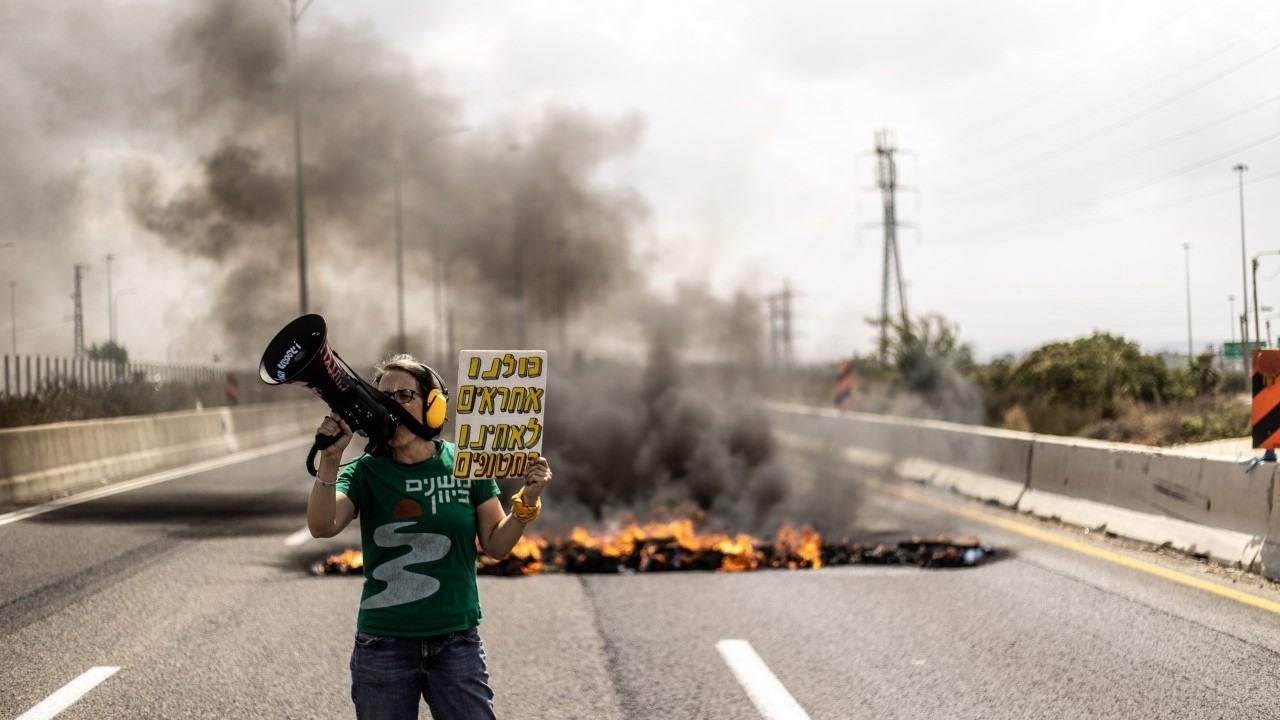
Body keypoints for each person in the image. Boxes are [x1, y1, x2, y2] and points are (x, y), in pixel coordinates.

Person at [306, 353, 552, 720]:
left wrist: (527, 500)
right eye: (383, 396)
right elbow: (322, 525)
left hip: (456, 644)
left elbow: (497, 546)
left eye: (404, 395)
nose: (391, 404)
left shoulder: (468, 465)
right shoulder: (364, 471)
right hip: (382, 645)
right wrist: (329, 459)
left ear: (434, 407)